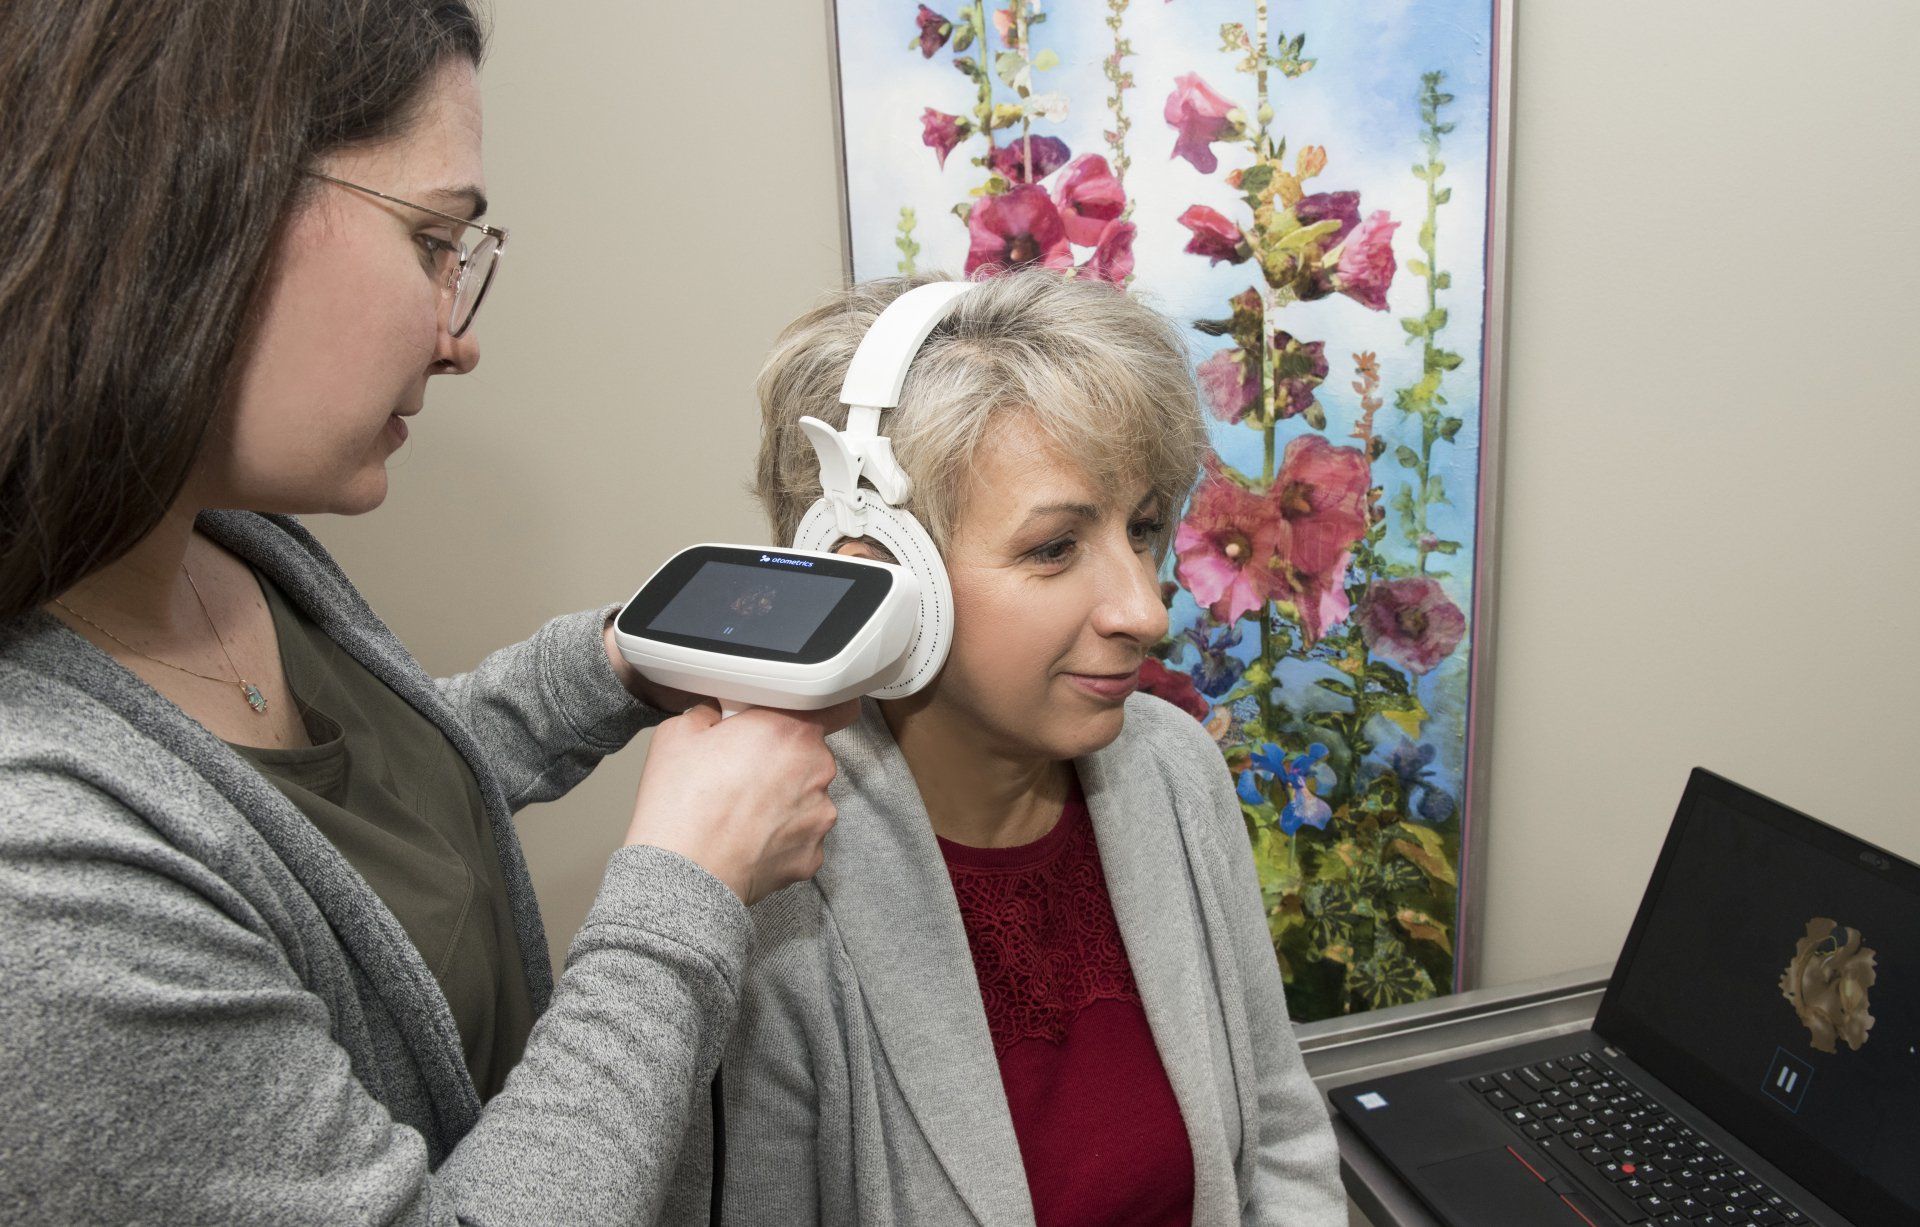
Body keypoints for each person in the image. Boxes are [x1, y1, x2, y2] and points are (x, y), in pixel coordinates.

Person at [0, 2, 851, 1221]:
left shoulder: (223, 551)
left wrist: (610, 667)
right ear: (200, 203)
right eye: (432, 240)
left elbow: (335, 830)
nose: (459, 337)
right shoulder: (38, 887)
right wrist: (686, 889)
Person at [666, 270, 1347, 1224]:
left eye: (1143, 528)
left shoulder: (1174, 770)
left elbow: (1280, 1133)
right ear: (880, 574)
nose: (1146, 609)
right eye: (1055, 548)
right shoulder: (774, 892)